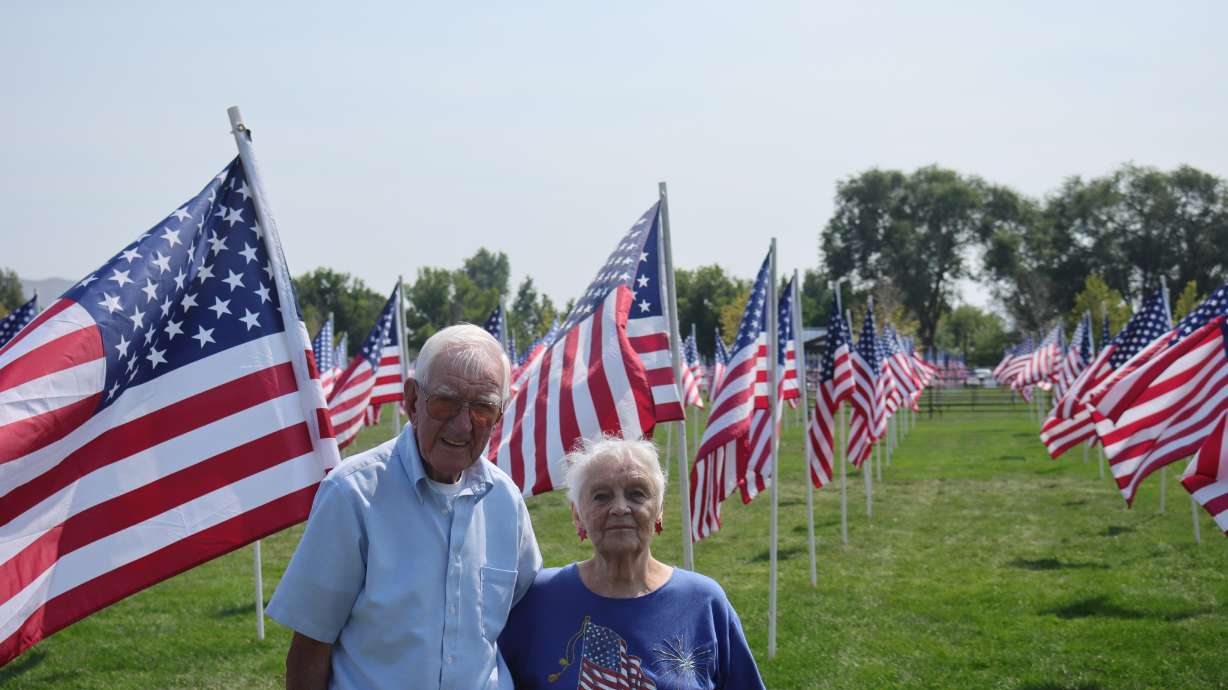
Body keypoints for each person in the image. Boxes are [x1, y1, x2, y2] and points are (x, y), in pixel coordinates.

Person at [266, 324, 541, 690]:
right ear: (412, 400)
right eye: (446, 401)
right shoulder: (353, 494)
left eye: (482, 408)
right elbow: (310, 648)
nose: (462, 426)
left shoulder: (506, 501)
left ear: (500, 414)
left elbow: (523, 623)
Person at [498, 436, 766, 690]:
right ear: (578, 515)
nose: (620, 508)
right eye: (601, 496)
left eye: (637, 493)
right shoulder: (536, 599)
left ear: (659, 511)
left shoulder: (705, 602)